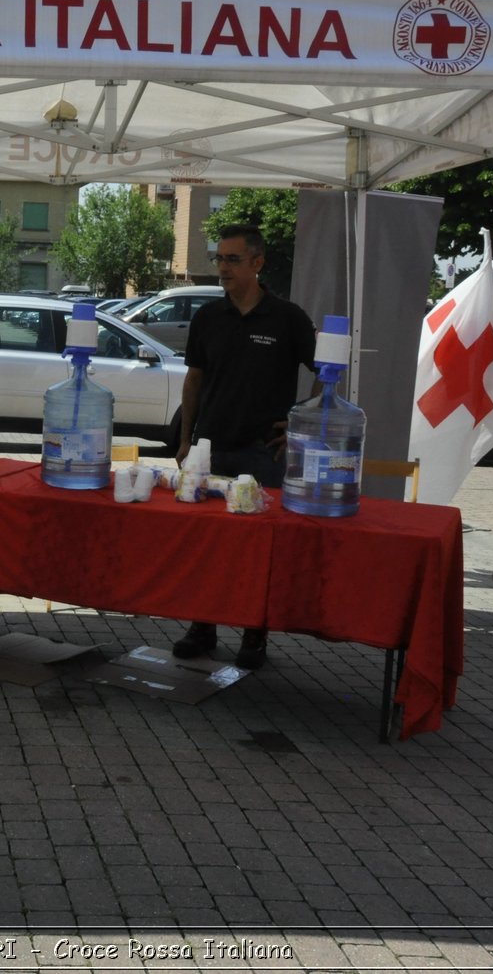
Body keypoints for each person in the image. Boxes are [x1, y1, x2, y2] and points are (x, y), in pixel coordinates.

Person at [171, 224, 316, 670]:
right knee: (208, 546)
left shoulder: (288, 318)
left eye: (232, 260)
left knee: (257, 551)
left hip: (262, 455)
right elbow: (194, 379)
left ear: (257, 263)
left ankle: (255, 635)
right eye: (218, 259)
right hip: (210, 450)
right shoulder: (208, 318)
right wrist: (184, 440)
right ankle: (203, 626)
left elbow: (328, 376)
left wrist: (298, 426)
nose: (222, 268)